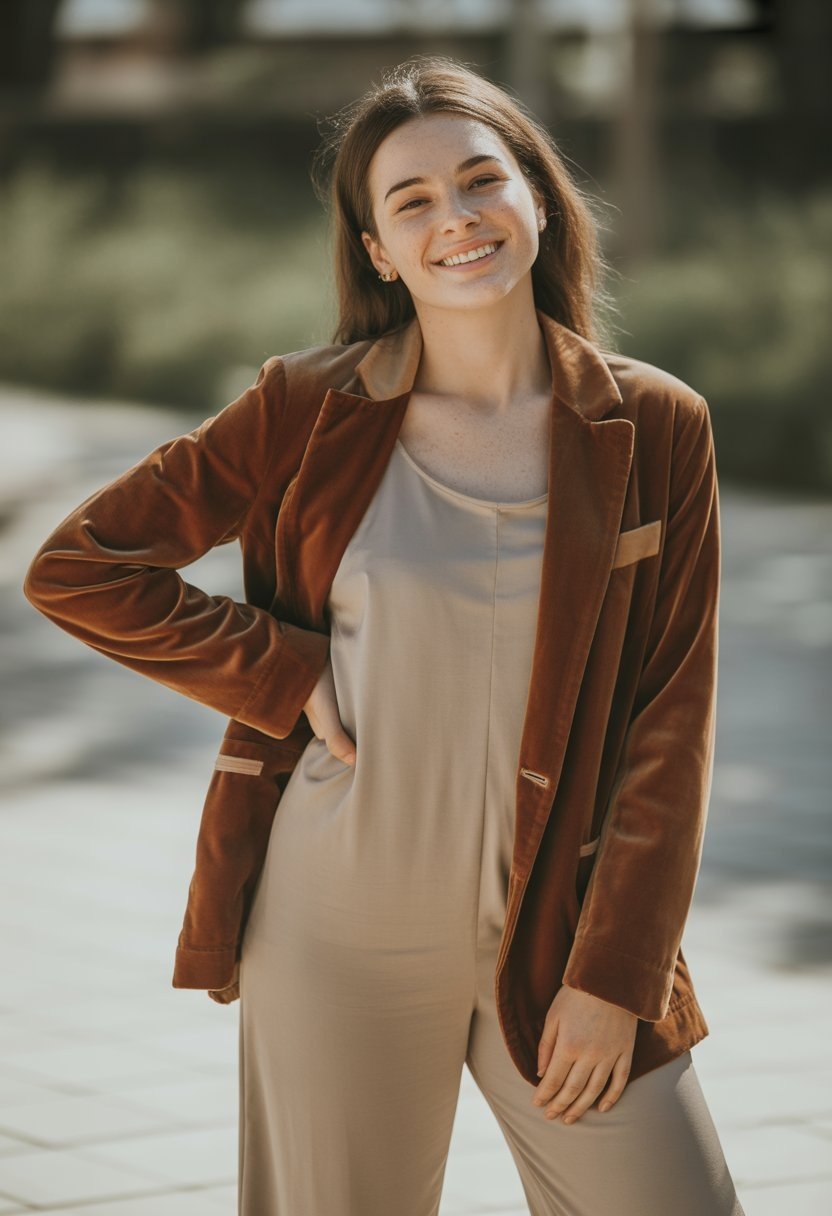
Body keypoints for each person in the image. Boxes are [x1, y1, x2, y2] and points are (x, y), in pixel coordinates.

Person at [23, 55, 746, 1216]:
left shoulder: (653, 425)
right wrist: (276, 669)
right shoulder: (307, 408)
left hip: (564, 931)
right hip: (335, 925)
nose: (453, 219)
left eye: (479, 182)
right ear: (375, 247)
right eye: (410, 201)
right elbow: (81, 566)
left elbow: (672, 718)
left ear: (537, 199)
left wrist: (618, 975)